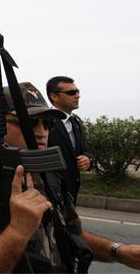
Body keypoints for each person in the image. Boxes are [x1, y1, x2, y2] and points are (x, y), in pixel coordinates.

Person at [0, 82, 140, 274]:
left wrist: (118, 251)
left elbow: (72, 234)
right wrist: (17, 231)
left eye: (47, 122)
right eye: (29, 122)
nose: (41, 131)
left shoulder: (45, 174)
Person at [46, 76, 91, 204]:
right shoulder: (45, 121)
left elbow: (83, 150)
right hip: (50, 190)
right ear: (54, 96)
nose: (77, 96)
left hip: (72, 189)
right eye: (71, 93)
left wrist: (87, 159)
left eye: (77, 92)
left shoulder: (76, 121)